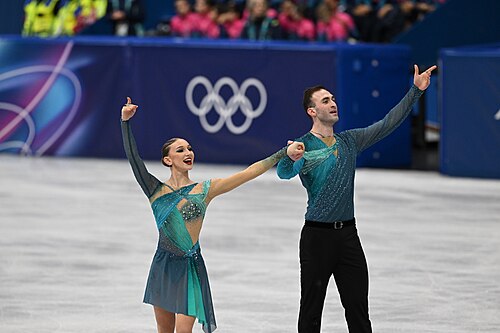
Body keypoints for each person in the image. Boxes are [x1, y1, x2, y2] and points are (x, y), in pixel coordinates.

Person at [277, 64, 437, 333]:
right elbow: (283, 173)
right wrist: (288, 156)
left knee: (358, 311)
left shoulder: (349, 141)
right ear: (312, 111)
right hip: (317, 239)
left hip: (348, 237)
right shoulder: (301, 146)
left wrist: (415, 91)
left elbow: (387, 124)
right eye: (325, 101)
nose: (333, 104)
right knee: (311, 311)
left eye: (333, 99)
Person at [120, 97, 288, 333]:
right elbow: (134, 160)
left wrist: (282, 153)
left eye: (189, 148)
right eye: (180, 150)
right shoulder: (156, 191)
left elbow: (248, 173)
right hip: (163, 266)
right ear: (168, 160)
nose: (188, 153)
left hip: (190, 267)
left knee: (184, 331)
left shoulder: (205, 190)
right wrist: (125, 122)